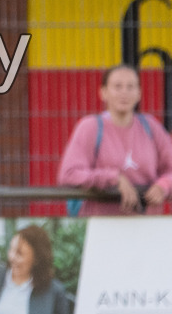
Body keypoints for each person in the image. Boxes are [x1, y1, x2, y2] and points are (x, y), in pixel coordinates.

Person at [58, 64, 172, 215]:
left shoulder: (151, 127)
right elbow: (68, 174)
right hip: (102, 225)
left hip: (146, 226)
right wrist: (113, 178)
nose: (124, 92)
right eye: (117, 86)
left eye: (130, 86)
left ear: (139, 93)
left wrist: (164, 185)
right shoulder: (90, 127)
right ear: (103, 92)